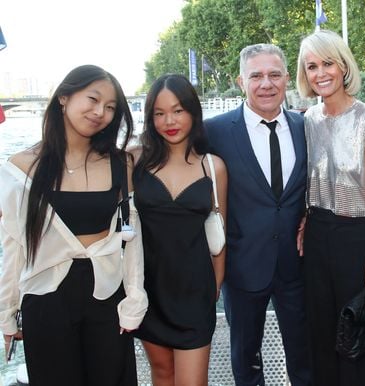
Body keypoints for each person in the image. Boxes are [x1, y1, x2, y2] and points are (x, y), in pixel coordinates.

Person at [0, 64, 147, 385]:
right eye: (93, 99)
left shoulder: (121, 163)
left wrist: (135, 299)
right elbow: (13, 243)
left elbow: (131, 238)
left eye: (110, 107)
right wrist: (7, 313)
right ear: (64, 97)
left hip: (107, 299)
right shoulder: (21, 167)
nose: (100, 113)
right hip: (46, 301)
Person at [204, 44, 311, 386]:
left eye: (275, 75)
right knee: (245, 359)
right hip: (242, 265)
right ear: (241, 81)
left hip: (297, 265)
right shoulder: (214, 132)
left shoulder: (305, 127)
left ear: (286, 80)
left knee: (304, 354)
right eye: (257, 76)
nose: (266, 83)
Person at [295, 29, 365, 386]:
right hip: (317, 237)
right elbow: (309, 179)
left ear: (343, 65)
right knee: (319, 335)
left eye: (328, 63)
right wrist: (306, 216)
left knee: (354, 337)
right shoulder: (308, 121)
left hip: (357, 236)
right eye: (312, 66)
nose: (321, 73)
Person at [131, 74, 227, 385]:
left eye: (177, 110)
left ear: (193, 112)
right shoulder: (135, 161)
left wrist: (214, 287)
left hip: (195, 294)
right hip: (149, 291)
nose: (168, 121)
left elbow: (219, 237)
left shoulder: (213, 167)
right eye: (158, 113)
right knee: (162, 375)